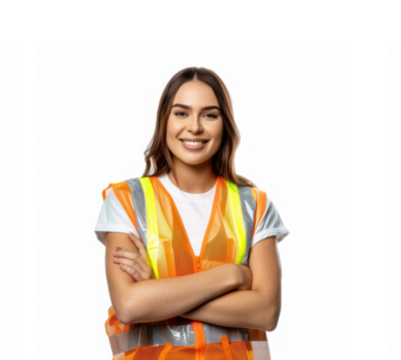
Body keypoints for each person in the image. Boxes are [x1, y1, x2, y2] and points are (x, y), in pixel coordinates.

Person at [93, 66, 288, 360]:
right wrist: (231, 275)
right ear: (164, 121)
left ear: (225, 125)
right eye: (181, 113)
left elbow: (266, 312)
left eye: (209, 114)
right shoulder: (125, 201)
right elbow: (130, 305)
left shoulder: (255, 205)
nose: (194, 127)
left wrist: (156, 293)